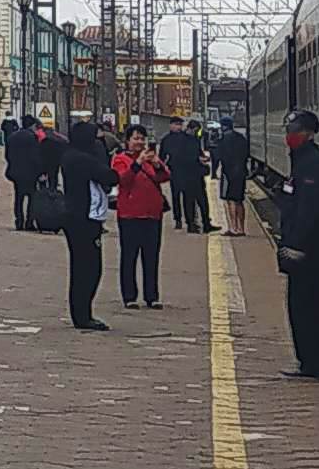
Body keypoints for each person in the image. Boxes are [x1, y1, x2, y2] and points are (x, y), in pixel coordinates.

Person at [276, 110, 319, 380]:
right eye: (288, 131)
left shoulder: (314, 164)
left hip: (309, 252)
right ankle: (311, 362)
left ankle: (318, 365)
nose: (290, 136)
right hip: (304, 249)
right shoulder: (304, 161)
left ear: (308, 133)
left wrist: (297, 244)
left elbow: (311, 210)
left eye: (294, 131)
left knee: (308, 308)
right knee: (302, 306)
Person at [57, 120, 116, 332]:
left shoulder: (69, 155)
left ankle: (82, 313)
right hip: (84, 219)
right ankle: (83, 315)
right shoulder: (82, 159)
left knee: (81, 267)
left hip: (76, 217)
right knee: (89, 269)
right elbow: (110, 176)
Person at [113, 132, 170, 310]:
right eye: (136, 139)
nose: (139, 142)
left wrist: (156, 164)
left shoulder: (149, 159)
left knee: (151, 257)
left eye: (142, 139)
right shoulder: (120, 159)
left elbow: (165, 176)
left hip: (152, 214)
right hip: (129, 215)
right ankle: (129, 296)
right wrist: (137, 163)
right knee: (129, 256)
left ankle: (152, 296)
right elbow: (123, 179)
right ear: (127, 141)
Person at [159, 116, 212, 235]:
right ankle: (179, 219)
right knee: (178, 197)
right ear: (171, 125)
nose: (178, 127)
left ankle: (193, 222)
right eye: (176, 124)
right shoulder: (167, 140)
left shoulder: (189, 138)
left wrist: (200, 158)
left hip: (190, 173)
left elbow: (196, 153)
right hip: (176, 172)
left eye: (180, 124)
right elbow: (162, 157)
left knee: (190, 198)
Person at [2, 115, 42, 232]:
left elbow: (7, 155)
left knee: (18, 197)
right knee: (32, 197)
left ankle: (19, 221)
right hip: (30, 173)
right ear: (32, 125)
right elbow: (35, 156)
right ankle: (29, 222)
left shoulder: (12, 137)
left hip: (16, 172)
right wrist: (40, 171)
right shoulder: (33, 137)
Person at [214, 117, 252, 221]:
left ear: (223, 126)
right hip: (241, 172)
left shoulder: (223, 139)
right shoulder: (241, 138)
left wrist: (213, 171)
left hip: (228, 173)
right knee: (239, 201)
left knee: (230, 200)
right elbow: (246, 154)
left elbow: (218, 156)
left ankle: (233, 227)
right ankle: (241, 227)